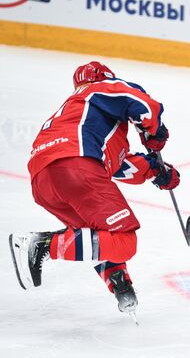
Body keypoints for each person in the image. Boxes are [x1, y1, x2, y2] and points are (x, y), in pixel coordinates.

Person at [9, 61, 180, 317]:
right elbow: (141, 103)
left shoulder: (83, 119)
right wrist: (154, 133)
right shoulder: (98, 90)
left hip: (44, 181)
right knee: (125, 239)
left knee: (100, 234)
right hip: (75, 166)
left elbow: (120, 166)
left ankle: (118, 279)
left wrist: (155, 169)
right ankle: (41, 244)